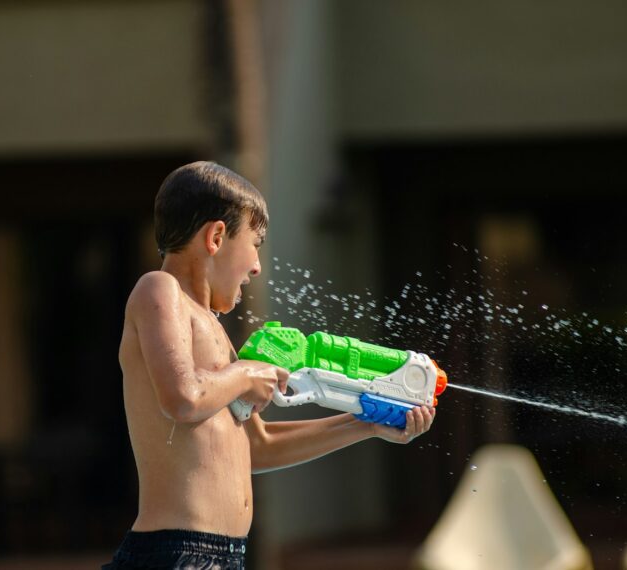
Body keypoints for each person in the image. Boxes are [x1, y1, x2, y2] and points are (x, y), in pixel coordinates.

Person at [103, 161, 435, 569]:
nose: (257, 266)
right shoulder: (158, 290)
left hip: (223, 557)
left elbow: (258, 447)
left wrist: (366, 425)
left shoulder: (216, 331)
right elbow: (183, 398)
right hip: (172, 553)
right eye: (256, 243)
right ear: (217, 236)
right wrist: (246, 373)